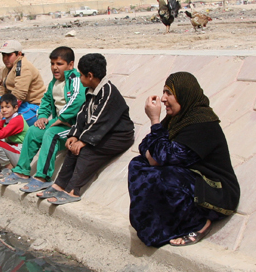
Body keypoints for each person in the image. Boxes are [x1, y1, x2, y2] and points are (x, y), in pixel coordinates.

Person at [128, 72, 240, 247]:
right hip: (191, 180)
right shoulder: (177, 119)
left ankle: (199, 223)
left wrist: (155, 120)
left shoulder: (201, 123)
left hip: (216, 191)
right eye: (163, 92)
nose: (163, 99)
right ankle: (161, 224)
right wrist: (154, 152)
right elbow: (146, 147)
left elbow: (163, 156)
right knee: (138, 165)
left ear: (184, 94)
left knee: (167, 175)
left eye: (169, 93)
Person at [41, 53, 135, 205]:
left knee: (85, 150)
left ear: (90, 76)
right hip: (100, 132)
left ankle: (73, 190)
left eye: (81, 75)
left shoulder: (108, 92)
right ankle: (59, 184)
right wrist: (74, 135)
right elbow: (82, 115)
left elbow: (100, 120)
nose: (79, 78)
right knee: (73, 148)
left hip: (118, 136)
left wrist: (83, 140)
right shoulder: (90, 90)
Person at [0, 46, 86, 192]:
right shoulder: (55, 82)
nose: (55, 68)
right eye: (52, 64)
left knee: (51, 134)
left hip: (73, 126)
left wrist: (61, 119)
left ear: (70, 65)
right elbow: (46, 100)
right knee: (33, 130)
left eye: (59, 64)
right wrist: (42, 117)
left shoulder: (74, 79)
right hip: (59, 121)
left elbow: (77, 100)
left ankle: (43, 177)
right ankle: (22, 170)